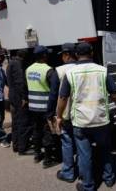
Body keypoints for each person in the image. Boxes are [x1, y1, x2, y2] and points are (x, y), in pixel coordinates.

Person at [57, 42, 116, 191]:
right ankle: (109, 178)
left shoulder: (70, 74)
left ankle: (88, 186)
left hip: (81, 122)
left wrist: (59, 116)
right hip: (101, 119)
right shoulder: (102, 71)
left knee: (84, 155)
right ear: (92, 52)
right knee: (106, 149)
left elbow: (62, 98)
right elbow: (114, 94)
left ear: (76, 55)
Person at [47, 43, 78, 183]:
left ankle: (68, 172)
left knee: (67, 142)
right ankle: (84, 172)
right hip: (82, 115)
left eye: (62, 56)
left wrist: (50, 113)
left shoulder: (58, 71)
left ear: (66, 55)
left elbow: (54, 95)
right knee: (82, 143)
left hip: (65, 115)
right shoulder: (84, 68)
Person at [26, 45, 58, 168]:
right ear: (44, 55)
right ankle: (48, 159)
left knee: (36, 130)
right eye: (47, 54)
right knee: (47, 132)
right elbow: (54, 91)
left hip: (33, 107)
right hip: (45, 107)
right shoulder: (49, 70)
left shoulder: (28, 69)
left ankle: (37, 154)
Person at [6, 49, 33, 155]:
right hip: (18, 96)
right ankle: (23, 147)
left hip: (12, 95)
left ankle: (16, 145)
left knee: (16, 121)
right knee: (23, 121)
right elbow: (20, 82)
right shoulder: (18, 64)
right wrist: (24, 98)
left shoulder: (10, 63)